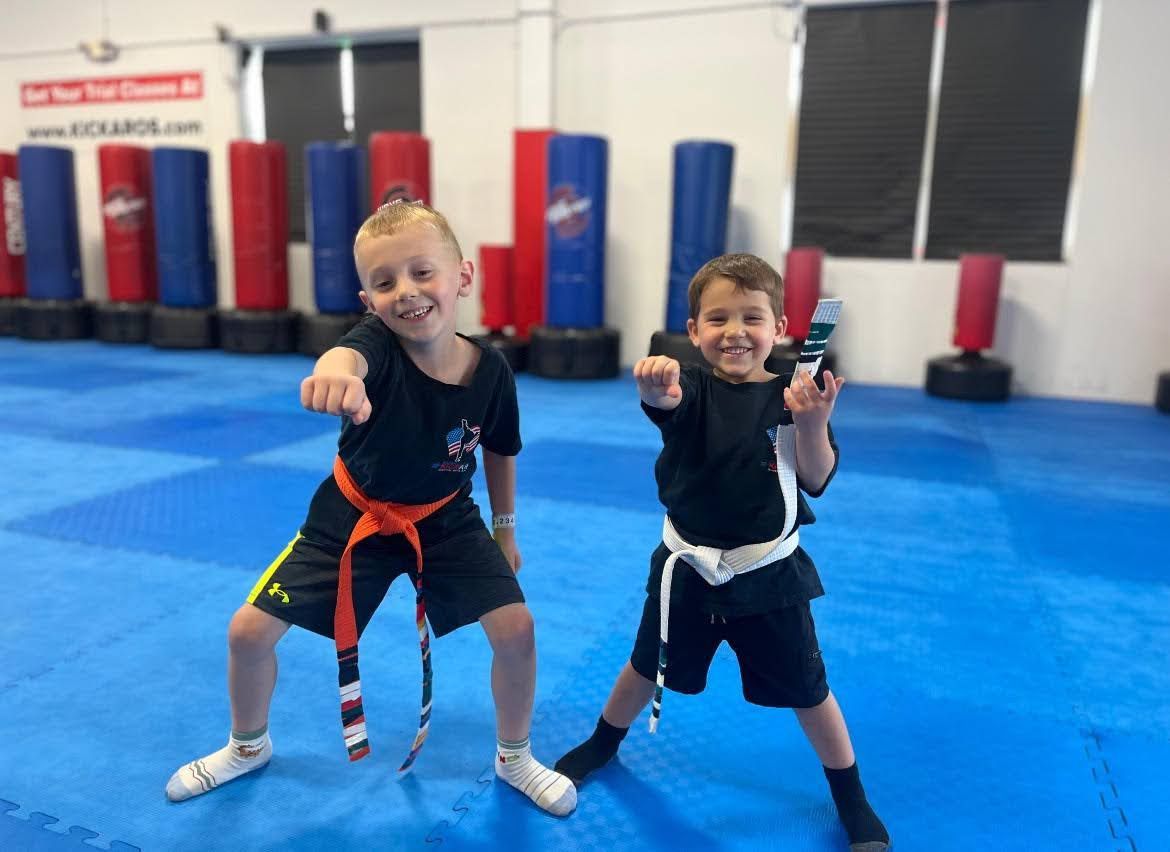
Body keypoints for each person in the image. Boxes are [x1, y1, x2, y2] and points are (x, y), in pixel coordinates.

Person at [165, 200, 575, 817]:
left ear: (463, 276)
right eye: (384, 283)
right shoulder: (376, 347)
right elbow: (346, 358)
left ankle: (514, 755)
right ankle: (248, 746)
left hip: (445, 516)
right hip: (352, 516)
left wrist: (505, 530)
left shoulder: (492, 370)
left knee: (517, 630)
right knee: (247, 634)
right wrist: (336, 375)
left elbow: (500, 449)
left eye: (421, 272)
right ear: (367, 300)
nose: (405, 293)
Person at [554, 254, 887, 849]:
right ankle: (603, 742)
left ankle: (850, 796)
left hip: (769, 577)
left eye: (751, 317)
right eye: (718, 319)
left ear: (780, 328)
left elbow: (815, 478)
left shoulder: (795, 395)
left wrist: (813, 424)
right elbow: (666, 407)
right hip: (685, 570)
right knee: (643, 664)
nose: (735, 331)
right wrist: (657, 388)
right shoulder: (693, 388)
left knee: (811, 691)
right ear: (694, 332)